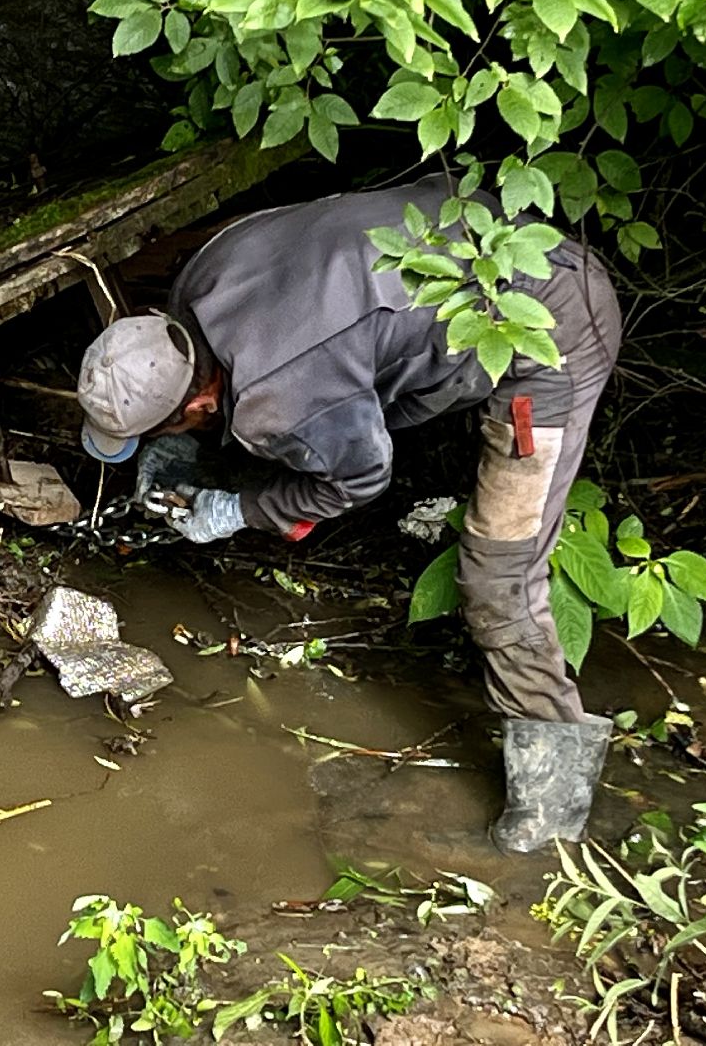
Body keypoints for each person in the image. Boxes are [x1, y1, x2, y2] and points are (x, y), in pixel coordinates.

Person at [75, 176, 623, 854]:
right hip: (489, 234)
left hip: (547, 328)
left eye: (160, 435)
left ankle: (553, 806)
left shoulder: (282, 395)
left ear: (194, 406)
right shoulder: (201, 277)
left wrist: (234, 510)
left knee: (498, 580)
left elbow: (361, 477)